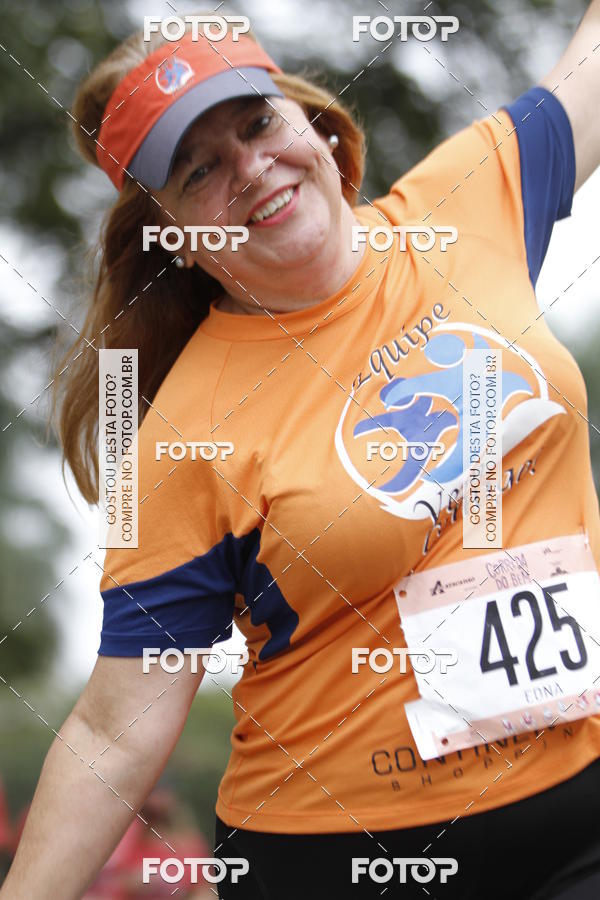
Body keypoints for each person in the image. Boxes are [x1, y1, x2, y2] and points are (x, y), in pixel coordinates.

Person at [3, 5, 600, 899]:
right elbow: (113, 731)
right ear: (170, 233)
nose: (251, 169)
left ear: (311, 124)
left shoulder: (471, 196)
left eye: (256, 124)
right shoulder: (183, 437)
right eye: (200, 170)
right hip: (346, 857)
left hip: (578, 806)